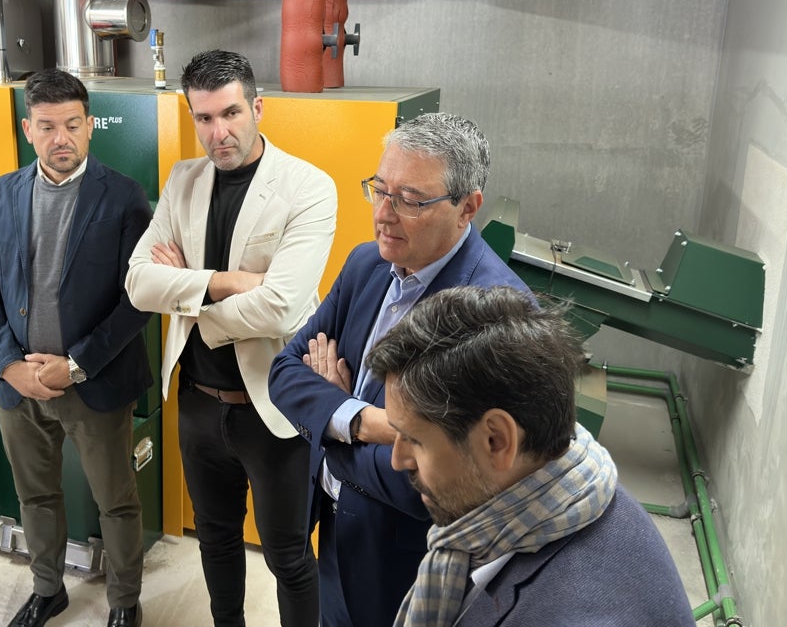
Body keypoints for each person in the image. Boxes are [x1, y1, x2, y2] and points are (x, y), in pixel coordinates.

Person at [267, 112, 532, 627]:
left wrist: (331, 430)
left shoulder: (495, 317)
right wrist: (364, 421)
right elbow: (283, 372)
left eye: (411, 200)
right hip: (334, 535)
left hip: (408, 569)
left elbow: (443, 489)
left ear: (467, 207)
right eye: (379, 189)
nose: (384, 214)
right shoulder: (367, 265)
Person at [125, 49, 337, 627]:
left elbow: (283, 305)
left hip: (272, 409)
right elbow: (139, 284)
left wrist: (187, 298)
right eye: (204, 118)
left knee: (288, 555)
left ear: (258, 107)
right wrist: (224, 281)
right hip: (196, 403)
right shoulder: (184, 180)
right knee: (214, 541)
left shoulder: (308, 188)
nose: (218, 133)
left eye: (230, 113)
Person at [365, 285, 695, 627]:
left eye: (414, 440)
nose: (398, 459)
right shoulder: (577, 487)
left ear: (496, 440)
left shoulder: (575, 614)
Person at [0, 70, 151, 627]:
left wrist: (76, 365)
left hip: (92, 381)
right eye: (47, 126)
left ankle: (124, 602)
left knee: (115, 501)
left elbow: (139, 299)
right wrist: (7, 364)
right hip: (20, 385)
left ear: (90, 126)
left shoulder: (123, 196)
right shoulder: (1, 193)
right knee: (36, 498)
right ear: (29, 129)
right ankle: (48, 590)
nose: (61, 138)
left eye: (72, 124)